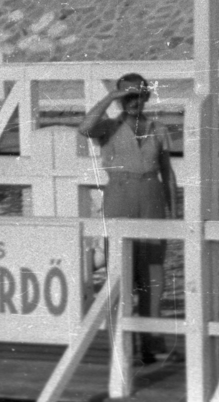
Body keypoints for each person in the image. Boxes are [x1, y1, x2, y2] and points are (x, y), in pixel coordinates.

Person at [78, 73, 177, 366]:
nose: (134, 102)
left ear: (146, 97)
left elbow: (167, 172)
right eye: (128, 97)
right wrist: (111, 97)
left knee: (153, 276)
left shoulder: (158, 128)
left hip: (151, 197)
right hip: (119, 196)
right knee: (120, 272)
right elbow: (84, 129)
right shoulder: (108, 127)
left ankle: (151, 343)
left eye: (139, 96)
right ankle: (121, 344)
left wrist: (174, 212)